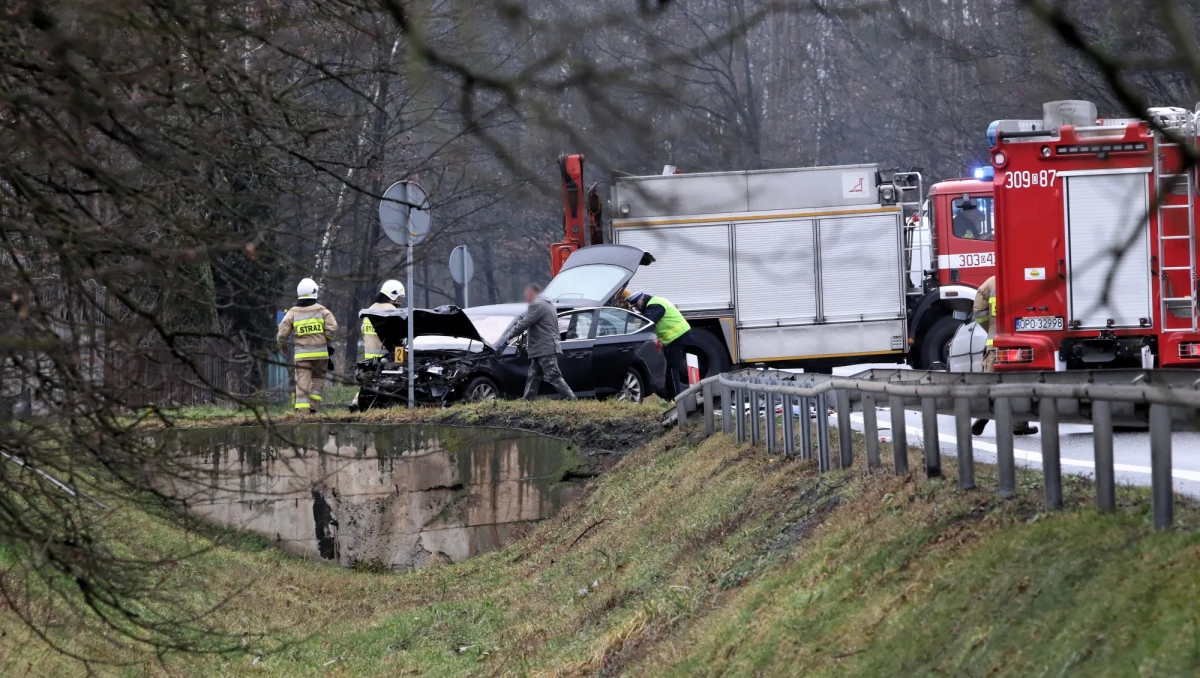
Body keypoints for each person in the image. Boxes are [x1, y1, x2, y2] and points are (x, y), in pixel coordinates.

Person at [971, 275, 1037, 436]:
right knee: (1020, 382)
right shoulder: (1027, 275)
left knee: (991, 381)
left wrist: (991, 328)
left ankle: (983, 412)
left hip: (996, 342)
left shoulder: (991, 282)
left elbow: (978, 311)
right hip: (1023, 340)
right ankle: (1019, 424)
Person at [495, 284, 577, 401]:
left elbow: (525, 322)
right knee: (533, 375)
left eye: (527, 296)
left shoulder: (537, 304)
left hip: (544, 347)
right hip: (543, 346)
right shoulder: (549, 305)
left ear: (533, 294)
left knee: (554, 376)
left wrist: (509, 335)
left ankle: (571, 398)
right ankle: (527, 399)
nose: (527, 299)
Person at [277, 277, 338, 413]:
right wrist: (327, 339)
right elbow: (332, 328)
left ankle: (302, 412)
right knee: (318, 379)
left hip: (302, 355)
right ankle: (313, 406)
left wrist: (282, 345)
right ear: (314, 292)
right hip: (321, 354)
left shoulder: (293, 312)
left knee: (302, 381)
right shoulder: (322, 310)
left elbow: (282, 332)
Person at [628, 291, 694, 399]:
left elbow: (648, 322)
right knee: (668, 369)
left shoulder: (655, 305)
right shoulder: (655, 302)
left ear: (642, 298)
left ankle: (677, 399)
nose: (637, 308)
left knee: (672, 369)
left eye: (637, 304)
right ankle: (671, 397)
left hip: (677, 337)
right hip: (676, 338)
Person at [362, 279, 405, 360]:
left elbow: (363, 330)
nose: (399, 300)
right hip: (386, 359)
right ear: (394, 296)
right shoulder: (391, 310)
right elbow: (398, 335)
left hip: (369, 360)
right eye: (398, 297)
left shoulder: (371, 309)